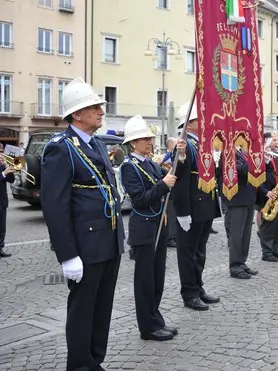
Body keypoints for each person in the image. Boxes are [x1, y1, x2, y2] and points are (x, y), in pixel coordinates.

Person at [41, 77, 125, 370]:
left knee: (102, 308)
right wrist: (67, 255)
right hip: (85, 246)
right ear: (77, 114)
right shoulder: (61, 148)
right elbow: (54, 206)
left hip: (109, 240)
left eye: (100, 106)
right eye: (93, 107)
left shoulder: (98, 144)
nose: (101, 110)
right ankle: (79, 365)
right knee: (83, 310)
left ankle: (94, 361)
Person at [120, 116, 186, 341]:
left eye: (149, 137)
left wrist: (179, 155)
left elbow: (169, 179)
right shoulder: (129, 167)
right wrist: (163, 184)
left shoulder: (149, 162)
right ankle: (147, 327)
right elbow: (140, 199)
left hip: (159, 226)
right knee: (145, 281)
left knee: (157, 278)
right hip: (145, 230)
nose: (149, 141)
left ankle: (155, 319)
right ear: (132, 143)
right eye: (144, 138)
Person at [171, 100, 221, 311]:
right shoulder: (185, 145)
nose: (203, 122)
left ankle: (198, 287)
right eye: (199, 119)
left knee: (199, 251)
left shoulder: (201, 144)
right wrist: (182, 211)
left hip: (204, 206)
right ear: (189, 123)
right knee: (188, 253)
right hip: (191, 207)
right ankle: (189, 292)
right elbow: (180, 181)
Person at [222, 142, 269, 279]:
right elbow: (242, 171)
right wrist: (255, 157)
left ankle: (242, 262)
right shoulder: (229, 153)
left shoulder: (242, 153)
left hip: (248, 198)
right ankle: (235, 266)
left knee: (245, 234)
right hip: (237, 199)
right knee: (236, 235)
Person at [258, 132, 278, 262]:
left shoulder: (274, 155)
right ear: (266, 141)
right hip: (267, 195)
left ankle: (275, 248)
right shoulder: (259, 156)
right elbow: (256, 178)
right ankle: (267, 252)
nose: (277, 142)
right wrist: (266, 192)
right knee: (268, 225)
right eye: (274, 140)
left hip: (277, 193)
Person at [0, 148, 15, 258]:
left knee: (2, 228)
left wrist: (7, 167)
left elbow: (11, 180)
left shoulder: (2, 165)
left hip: (2, 201)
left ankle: (0, 248)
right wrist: (3, 173)